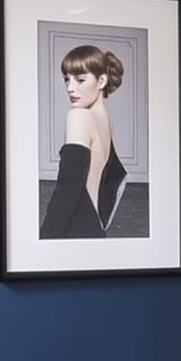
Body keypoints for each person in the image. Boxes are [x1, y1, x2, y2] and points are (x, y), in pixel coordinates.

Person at [40, 44, 127, 238]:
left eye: (80, 79)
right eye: (66, 79)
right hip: (94, 227)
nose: (70, 88)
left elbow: (67, 189)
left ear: (101, 81)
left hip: (75, 229)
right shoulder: (104, 120)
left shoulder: (79, 116)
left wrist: (45, 240)